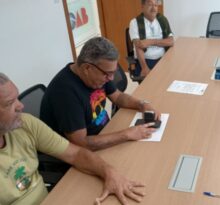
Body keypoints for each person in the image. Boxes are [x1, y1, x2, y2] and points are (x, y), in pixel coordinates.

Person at [0, 73, 145, 205]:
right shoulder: (65, 91)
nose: (20, 106)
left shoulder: (26, 124)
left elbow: (75, 154)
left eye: (17, 99)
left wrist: (110, 172)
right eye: (9, 103)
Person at [40, 37, 160, 151]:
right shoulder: (65, 93)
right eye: (107, 74)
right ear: (87, 68)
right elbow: (81, 143)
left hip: (105, 132)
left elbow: (118, 97)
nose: (111, 78)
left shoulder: (96, 76)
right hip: (85, 152)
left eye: (113, 73)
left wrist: (142, 104)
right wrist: (126, 134)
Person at [129, 0, 174, 77]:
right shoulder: (135, 22)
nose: (154, 8)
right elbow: (139, 46)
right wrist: (145, 68)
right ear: (142, 7)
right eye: (150, 5)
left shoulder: (162, 19)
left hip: (163, 58)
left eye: (156, 5)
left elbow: (171, 41)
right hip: (145, 61)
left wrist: (150, 42)